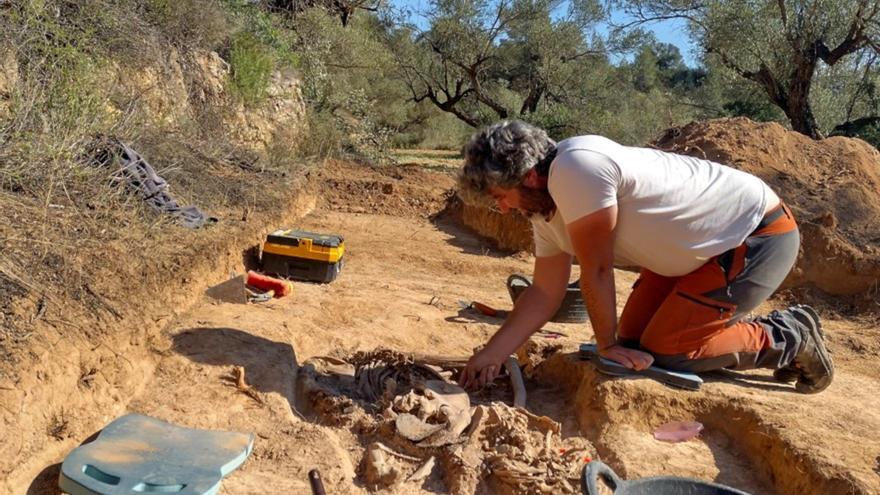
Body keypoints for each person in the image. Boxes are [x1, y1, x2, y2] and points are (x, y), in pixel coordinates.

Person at [456, 120, 833, 394]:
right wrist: (490, 355)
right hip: (691, 254)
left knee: (672, 352)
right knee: (636, 346)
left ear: (528, 177)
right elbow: (543, 293)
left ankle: (790, 335)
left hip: (753, 235)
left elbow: (597, 267)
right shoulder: (545, 211)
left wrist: (606, 345)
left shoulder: (576, 168)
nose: (502, 209)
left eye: (498, 196)